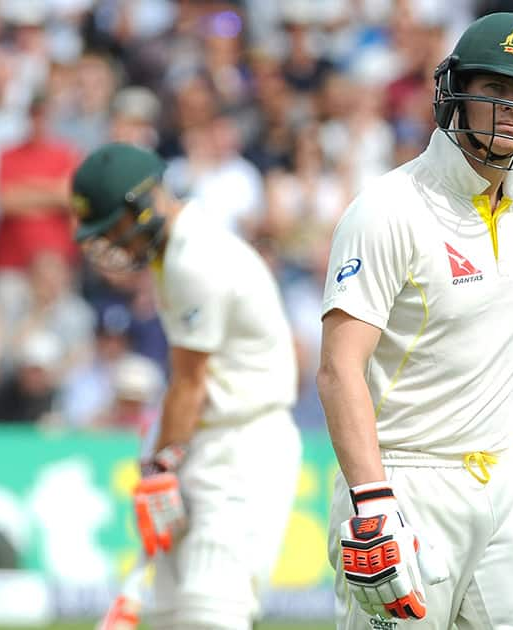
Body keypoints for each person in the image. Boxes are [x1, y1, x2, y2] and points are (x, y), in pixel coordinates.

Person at [317, 13, 513, 630]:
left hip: (510, 476)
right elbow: (339, 368)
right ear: (456, 90)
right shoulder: (388, 210)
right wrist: (372, 504)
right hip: (409, 477)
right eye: (498, 88)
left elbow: (512, 352)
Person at [70, 143, 301, 630]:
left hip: (242, 448)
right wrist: (162, 457)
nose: (114, 243)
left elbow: (191, 382)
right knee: (173, 616)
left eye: (113, 227)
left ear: (141, 205)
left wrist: (160, 467)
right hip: (207, 441)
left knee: (211, 612)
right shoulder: (172, 254)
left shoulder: (195, 259)